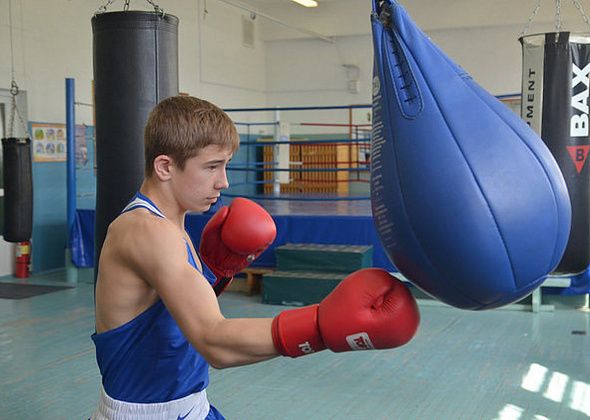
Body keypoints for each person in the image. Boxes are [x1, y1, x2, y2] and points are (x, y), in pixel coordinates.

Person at [91, 95, 420, 420]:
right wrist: (320, 325)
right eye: (211, 167)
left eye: (225, 165)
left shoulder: (171, 223)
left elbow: (168, 316)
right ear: (165, 167)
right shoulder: (147, 231)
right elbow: (213, 342)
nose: (224, 181)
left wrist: (215, 273)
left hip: (190, 405)